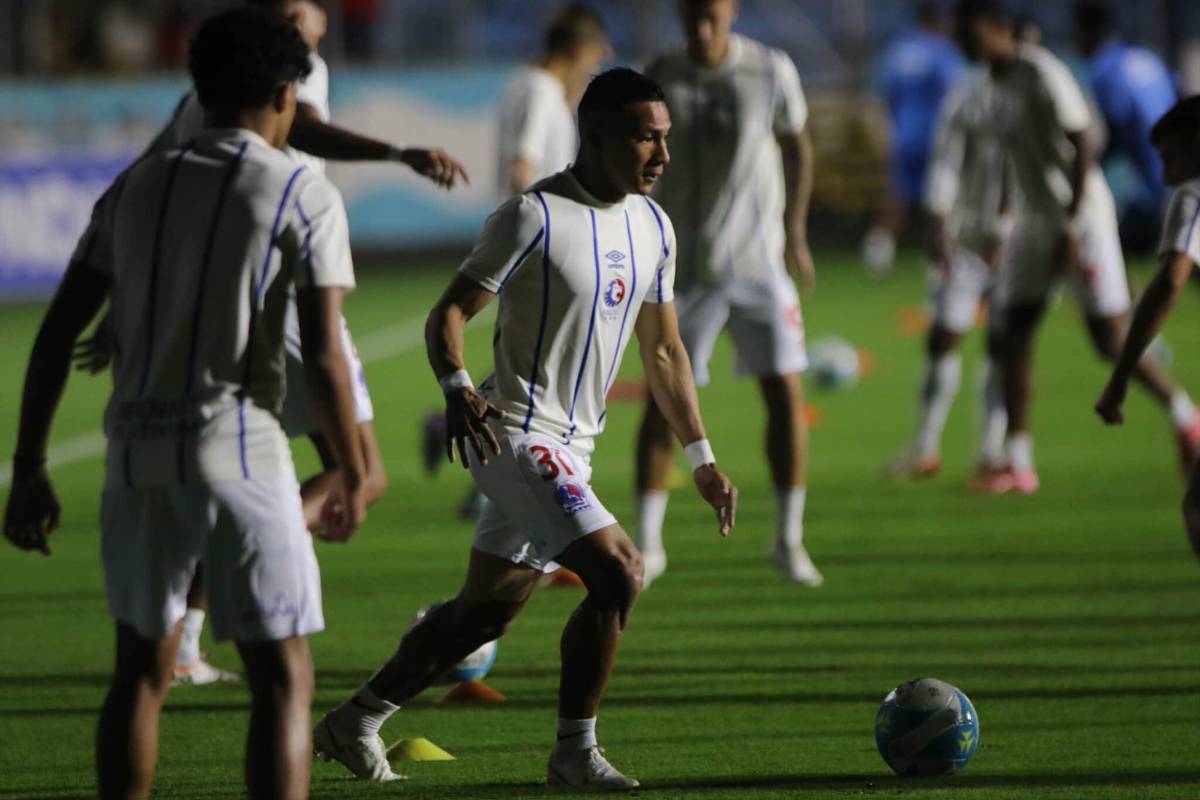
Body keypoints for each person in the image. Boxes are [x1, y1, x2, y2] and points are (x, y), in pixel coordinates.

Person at [312, 68, 738, 788]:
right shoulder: (533, 216)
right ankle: (575, 752)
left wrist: (701, 455)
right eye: (645, 137)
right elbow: (449, 312)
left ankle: (354, 721)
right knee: (620, 572)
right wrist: (452, 386)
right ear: (596, 133)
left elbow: (664, 351)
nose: (662, 155)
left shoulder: (654, 227)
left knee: (483, 616)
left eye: (665, 138)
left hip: (574, 446)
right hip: (511, 431)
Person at [3, 9, 364, 798]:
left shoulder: (133, 187)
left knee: (139, 669)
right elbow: (327, 354)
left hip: (133, 456)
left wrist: (29, 467)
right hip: (237, 448)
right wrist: (351, 468)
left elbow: (58, 330)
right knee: (282, 677)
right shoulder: (300, 188)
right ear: (284, 95)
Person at [74, 0, 470, 685]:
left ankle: (187, 635)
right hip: (287, 286)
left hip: (215, 305)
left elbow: (147, 188)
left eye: (304, 10)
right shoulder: (292, 74)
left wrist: (123, 306)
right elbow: (308, 130)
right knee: (362, 475)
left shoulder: (200, 96)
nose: (297, 18)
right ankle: (243, 563)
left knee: (228, 472)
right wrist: (396, 152)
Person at [954, 0, 1200, 494]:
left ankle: (1185, 416)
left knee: (1108, 338)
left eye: (974, 33)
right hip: (1032, 220)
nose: (967, 45)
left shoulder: (1043, 73)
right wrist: (1003, 221)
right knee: (1011, 334)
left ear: (999, 29)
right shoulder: (990, 85)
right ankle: (1018, 461)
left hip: (1080, 217)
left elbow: (1083, 139)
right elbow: (1013, 159)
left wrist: (1070, 225)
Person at [636, 0, 817, 586]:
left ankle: (788, 540)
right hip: (681, 271)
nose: (702, 24)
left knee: (785, 394)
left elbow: (798, 144)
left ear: (732, 10)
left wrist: (794, 231)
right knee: (661, 405)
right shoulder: (659, 71)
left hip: (758, 265)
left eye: (712, 12)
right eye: (692, 13)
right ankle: (648, 544)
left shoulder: (771, 70)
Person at [426, 3, 610, 525]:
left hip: (544, 248)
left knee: (534, 367)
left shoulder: (541, 89)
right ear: (578, 48)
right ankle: (493, 473)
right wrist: (530, 245)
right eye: (596, 52)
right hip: (540, 253)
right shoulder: (537, 90)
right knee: (537, 368)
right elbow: (521, 167)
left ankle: (488, 480)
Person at [887, 65, 1010, 483]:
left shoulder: (1041, 89)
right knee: (944, 338)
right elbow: (946, 162)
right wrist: (938, 221)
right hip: (966, 238)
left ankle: (993, 452)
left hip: (1019, 241)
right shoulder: (965, 96)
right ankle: (925, 446)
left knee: (1003, 346)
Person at [1097, 95, 1200, 558]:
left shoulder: (1193, 194)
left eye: (1171, 159)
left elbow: (1170, 282)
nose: (1165, 176)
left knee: (1197, 509)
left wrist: (1119, 379)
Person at [863, 0, 965, 276]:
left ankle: (877, 255)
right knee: (943, 199)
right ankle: (943, 258)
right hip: (935, 138)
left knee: (898, 197)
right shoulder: (942, 51)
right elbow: (955, 94)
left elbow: (883, 97)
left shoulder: (898, 51)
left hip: (904, 136)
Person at [1074, 0, 1178, 247]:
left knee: (1107, 235)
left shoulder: (1103, 71)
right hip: (1188, 176)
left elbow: (1100, 142)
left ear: (1086, 32)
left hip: (1161, 198)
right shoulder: (1146, 57)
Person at [496, 3, 611, 197]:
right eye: (597, 55)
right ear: (579, 49)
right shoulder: (541, 90)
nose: (601, 61)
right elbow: (521, 171)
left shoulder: (533, 85)